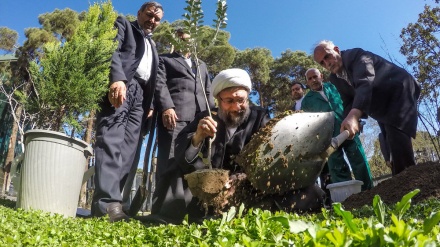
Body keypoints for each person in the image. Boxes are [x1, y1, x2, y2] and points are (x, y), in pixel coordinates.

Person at [146, 68, 325, 224]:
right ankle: (176, 215)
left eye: (241, 100)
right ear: (218, 100)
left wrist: (239, 181)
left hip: (250, 185)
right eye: (229, 101)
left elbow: (273, 156)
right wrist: (197, 137)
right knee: (174, 171)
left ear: (248, 97)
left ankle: (254, 207)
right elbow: (184, 156)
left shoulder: (260, 116)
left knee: (309, 191)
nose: (236, 106)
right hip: (210, 190)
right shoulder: (206, 116)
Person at [91, 2, 164, 222]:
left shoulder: (153, 47)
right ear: (139, 13)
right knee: (111, 141)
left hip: (141, 98)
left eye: (157, 18)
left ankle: (116, 204)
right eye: (149, 15)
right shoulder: (124, 25)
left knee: (129, 150)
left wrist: (150, 105)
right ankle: (104, 205)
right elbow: (112, 49)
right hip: (124, 85)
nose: (152, 20)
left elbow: (153, 77)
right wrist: (118, 79)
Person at [313, 40, 420, 176]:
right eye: (322, 62)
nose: (327, 63)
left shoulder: (357, 56)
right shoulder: (335, 78)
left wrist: (354, 116)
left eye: (327, 56)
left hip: (398, 90)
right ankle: (400, 180)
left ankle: (410, 182)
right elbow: (348, 101)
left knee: (397, 137)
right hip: (380, 104)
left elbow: (365, 82)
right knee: (388, 144)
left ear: (336, 50)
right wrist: (349, 121)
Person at [154, 30, 214, 184]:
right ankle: (163, 206)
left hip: (200, 121)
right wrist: (167, 107)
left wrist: (213, 114)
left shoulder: (201, 65)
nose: (185, 43)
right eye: (181, 39)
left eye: (188, 40)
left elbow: (208, 90)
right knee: (170, 160)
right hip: (175, 118)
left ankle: (189, 205)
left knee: (196, 161)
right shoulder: (164, 60)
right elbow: (159, 83)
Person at [301, 68, 373, 191]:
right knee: (337, 167)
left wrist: (357, 120)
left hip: (348, 130)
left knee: (359, 160)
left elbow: (351, 102)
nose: (313, 80)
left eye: (315, 76)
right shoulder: (307, 101)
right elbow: (309, 124)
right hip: (328, 139)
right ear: (307, 82)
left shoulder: (335, 87)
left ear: (321, 76)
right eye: (310, 78)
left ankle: (369, 191)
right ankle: (348, 199)